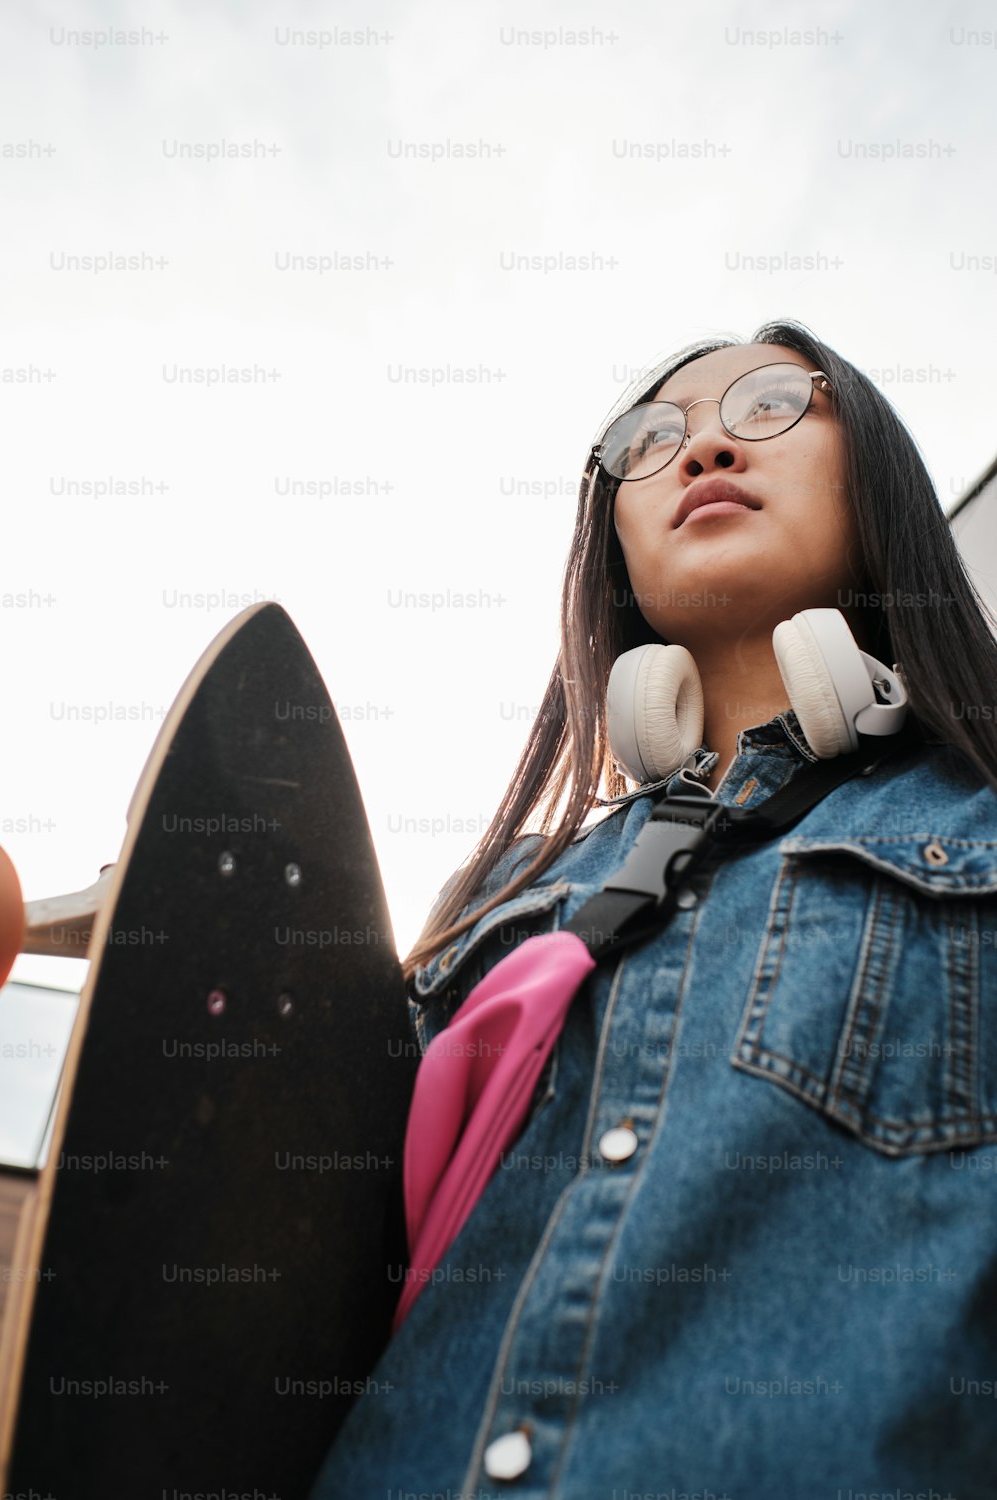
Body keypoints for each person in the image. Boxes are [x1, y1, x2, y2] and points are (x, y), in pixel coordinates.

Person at [309, 320, 997, 1497]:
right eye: (651, 438)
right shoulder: (500, 896)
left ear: (874, 469)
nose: (705, 449)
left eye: (774, 404)